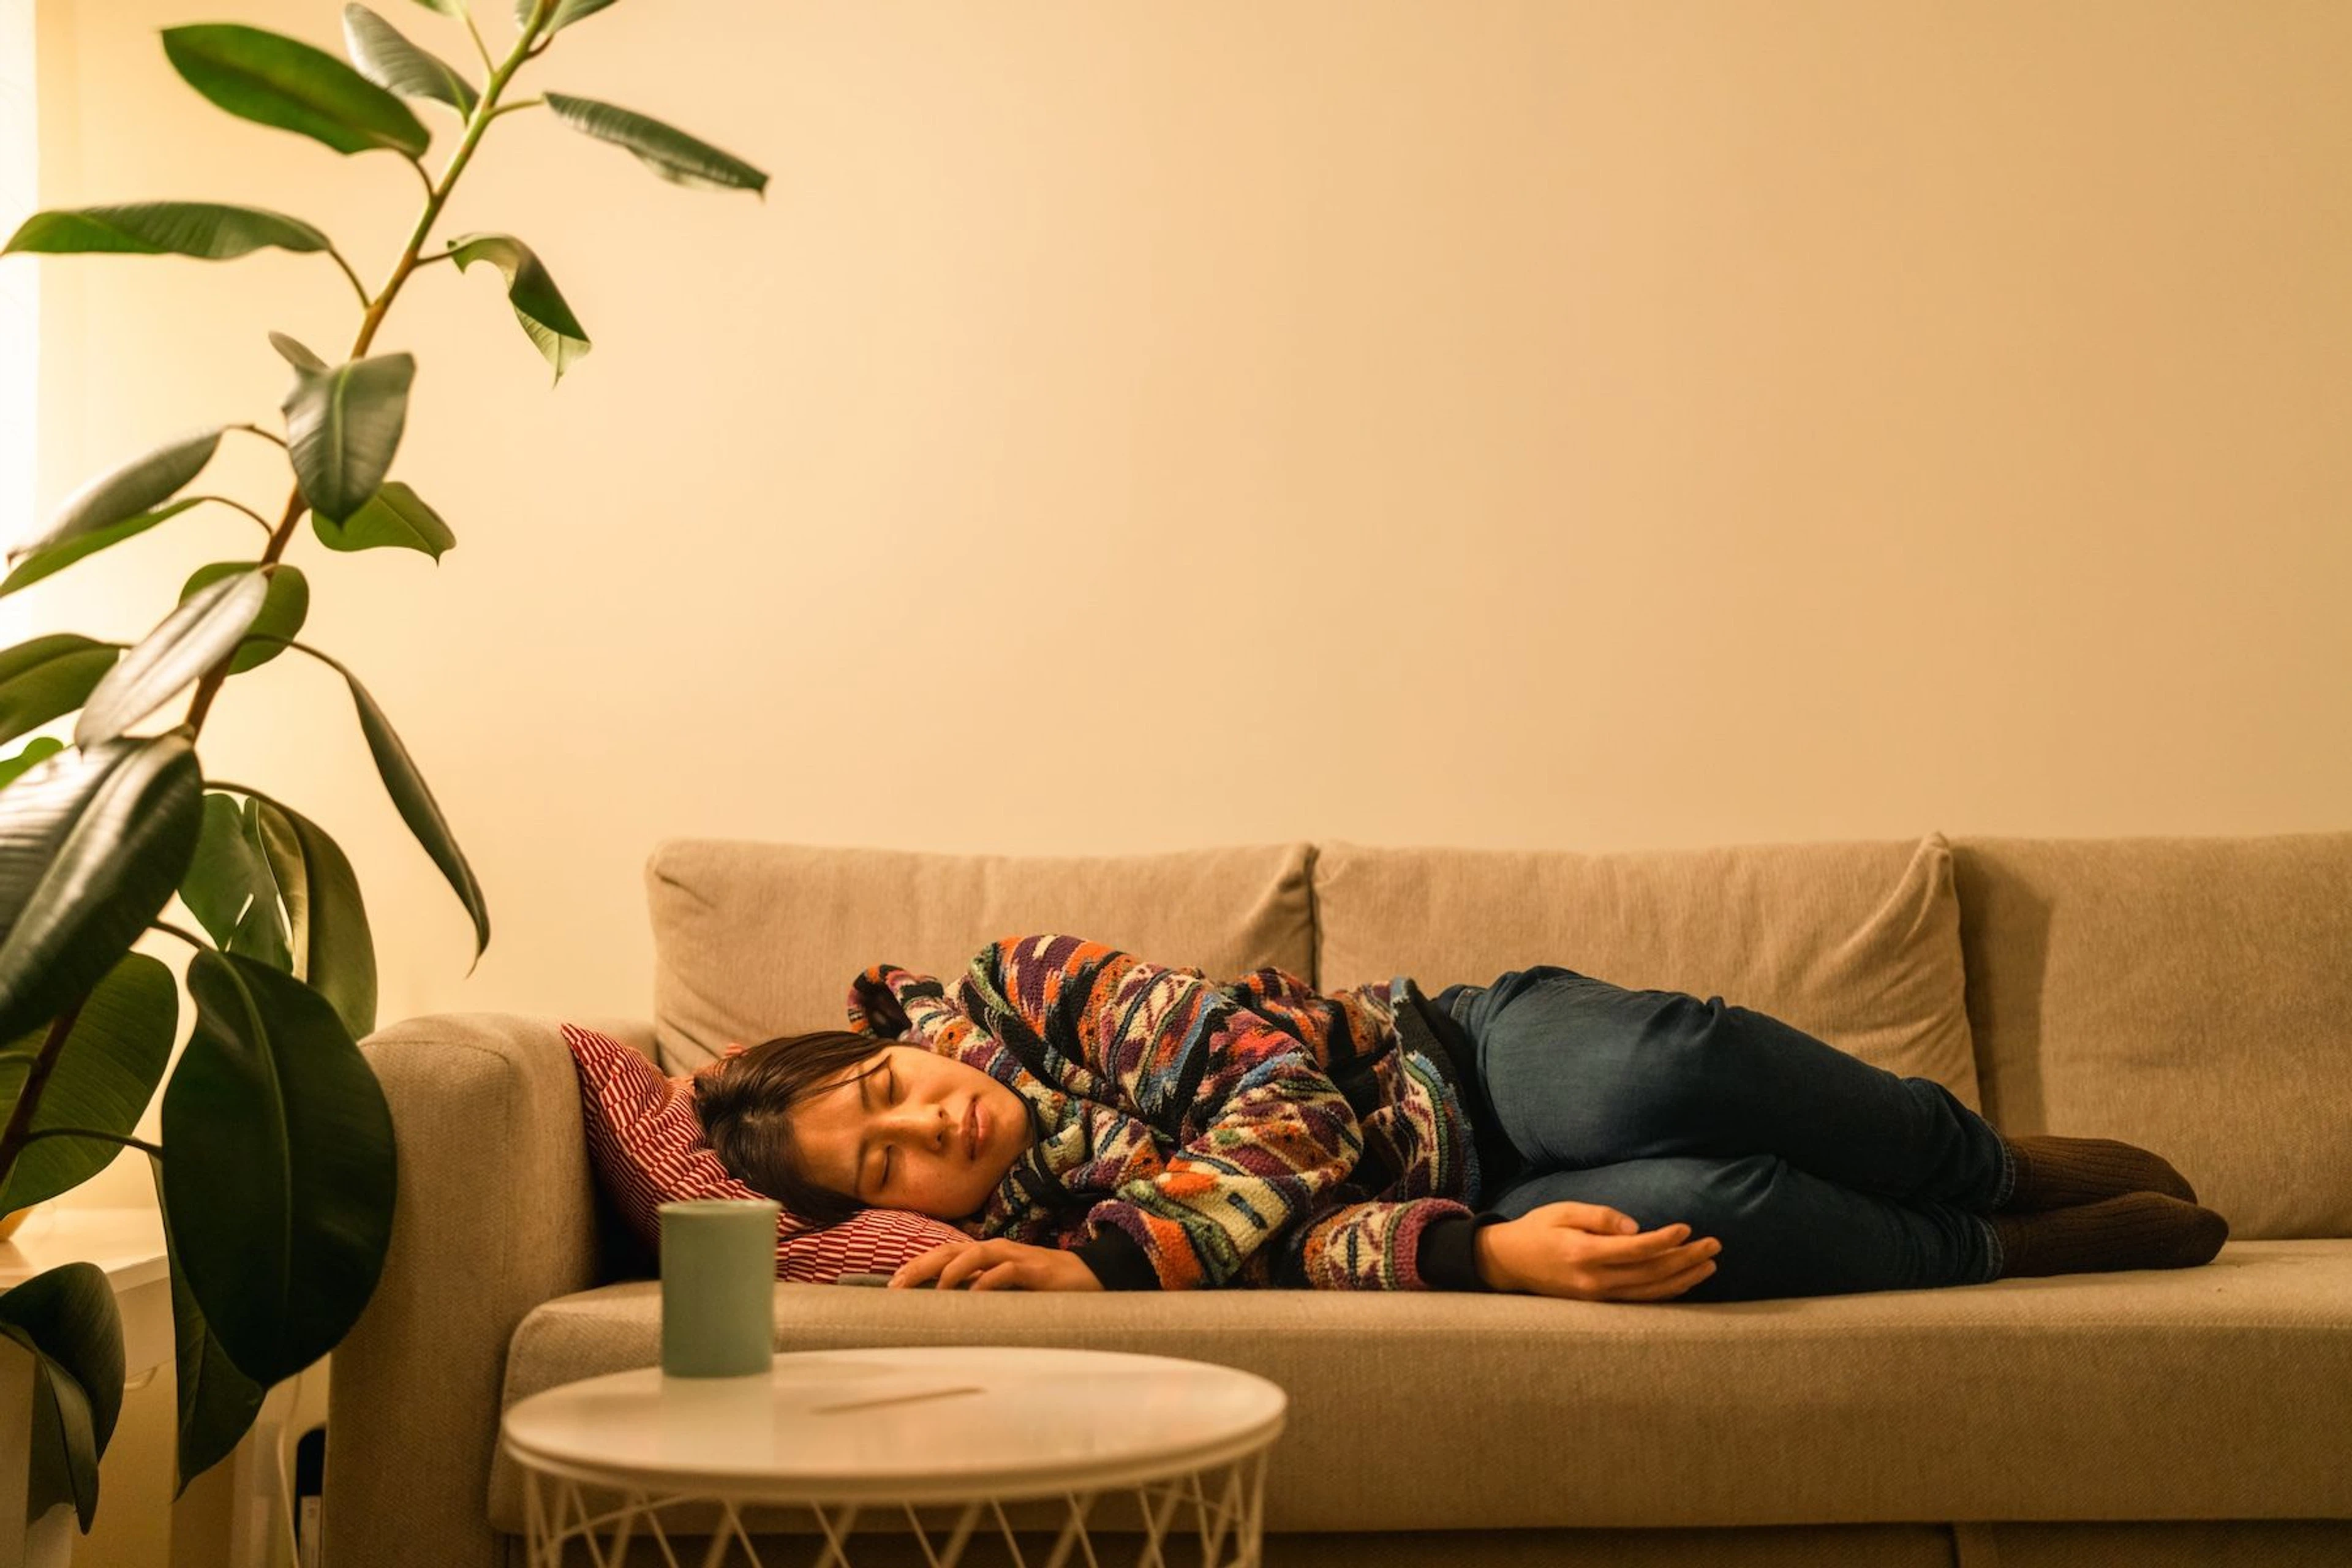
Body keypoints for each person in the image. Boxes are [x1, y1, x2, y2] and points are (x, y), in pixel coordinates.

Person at [692, 932, 2228, 1300]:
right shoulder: (1026, 1241)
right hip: (1460, 1190)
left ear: (890, 1045)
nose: (928, 1128)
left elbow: (1282, 1101)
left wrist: (1122, 1253)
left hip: (1459, 1060)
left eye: (889, 1091)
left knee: (1656, 1074)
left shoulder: (1025, 985)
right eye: (884, 1163)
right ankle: (2000, 1242)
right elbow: (1302, 1250)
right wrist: (1482, 1255)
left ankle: (1987, 1155)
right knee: (1701, 1214)